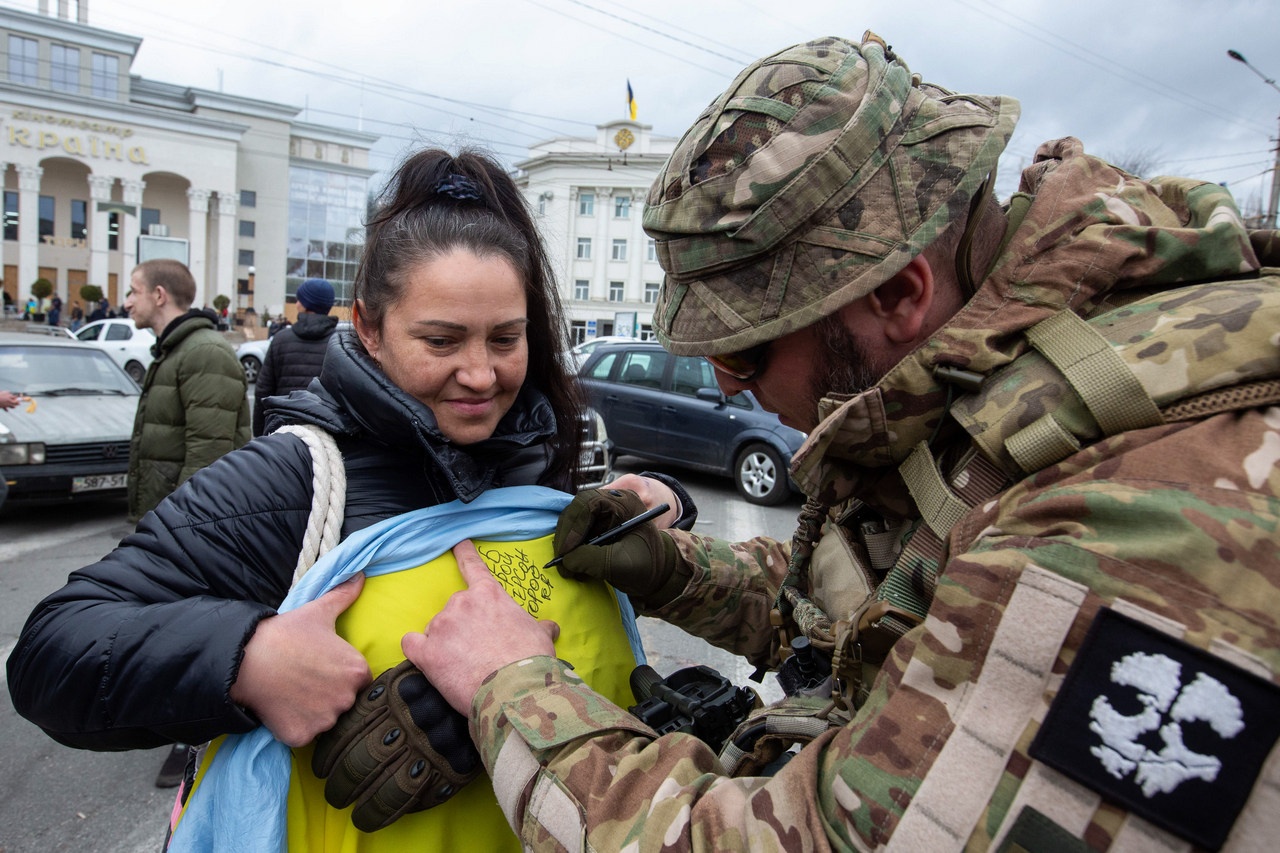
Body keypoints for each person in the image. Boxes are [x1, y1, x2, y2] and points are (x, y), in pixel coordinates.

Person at [402, 34, 1280, 851]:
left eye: (746, 347)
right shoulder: (992, 388)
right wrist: (669, 569)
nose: (726, 386)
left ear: (899, 295)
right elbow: (879, 610)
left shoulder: (1146, 508)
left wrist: (509, 685)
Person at [7, 148, 690, 850]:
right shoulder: (290, 481)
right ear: (367, 326)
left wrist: (664, 506)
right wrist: (246, 659)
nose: (482, 373)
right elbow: (52, 653)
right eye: (441, 339)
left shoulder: (535, 461)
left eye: (505, 338)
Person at [252, 277, 338, 436]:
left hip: (281, 433)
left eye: (300, 299)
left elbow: (263, 392)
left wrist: (260, 434)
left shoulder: (280, 340)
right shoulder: (339, 344)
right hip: (326, 436)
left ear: (306, 305)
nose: (297, 303)